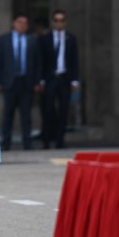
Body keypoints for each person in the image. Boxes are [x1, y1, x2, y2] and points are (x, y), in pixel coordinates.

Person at [0, 13, 41, 150]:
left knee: (26, 114)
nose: (22, 25)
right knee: (8, 114)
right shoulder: (4, 40)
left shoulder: (32, 40)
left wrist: (37, 81)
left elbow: (38, 62)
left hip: (26, 82)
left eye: (25, 23)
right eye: (19, 22)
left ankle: (27, 142)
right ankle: (6, 142)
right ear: (13, 24)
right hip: (9, 82)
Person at [38, 10, 79, 149]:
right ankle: (47, 140)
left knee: (64, 110)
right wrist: (41, 80)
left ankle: (60, 141)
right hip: (50, 78)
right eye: (56, 20)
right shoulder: (45, 38)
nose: (59, 23)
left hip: (64, 78)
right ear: (53, 22)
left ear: (65, 22)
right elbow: (41, 61)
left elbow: (74, 60)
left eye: (61, 20)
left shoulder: (71, 38)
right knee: (48, 109)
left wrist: (74, 80)